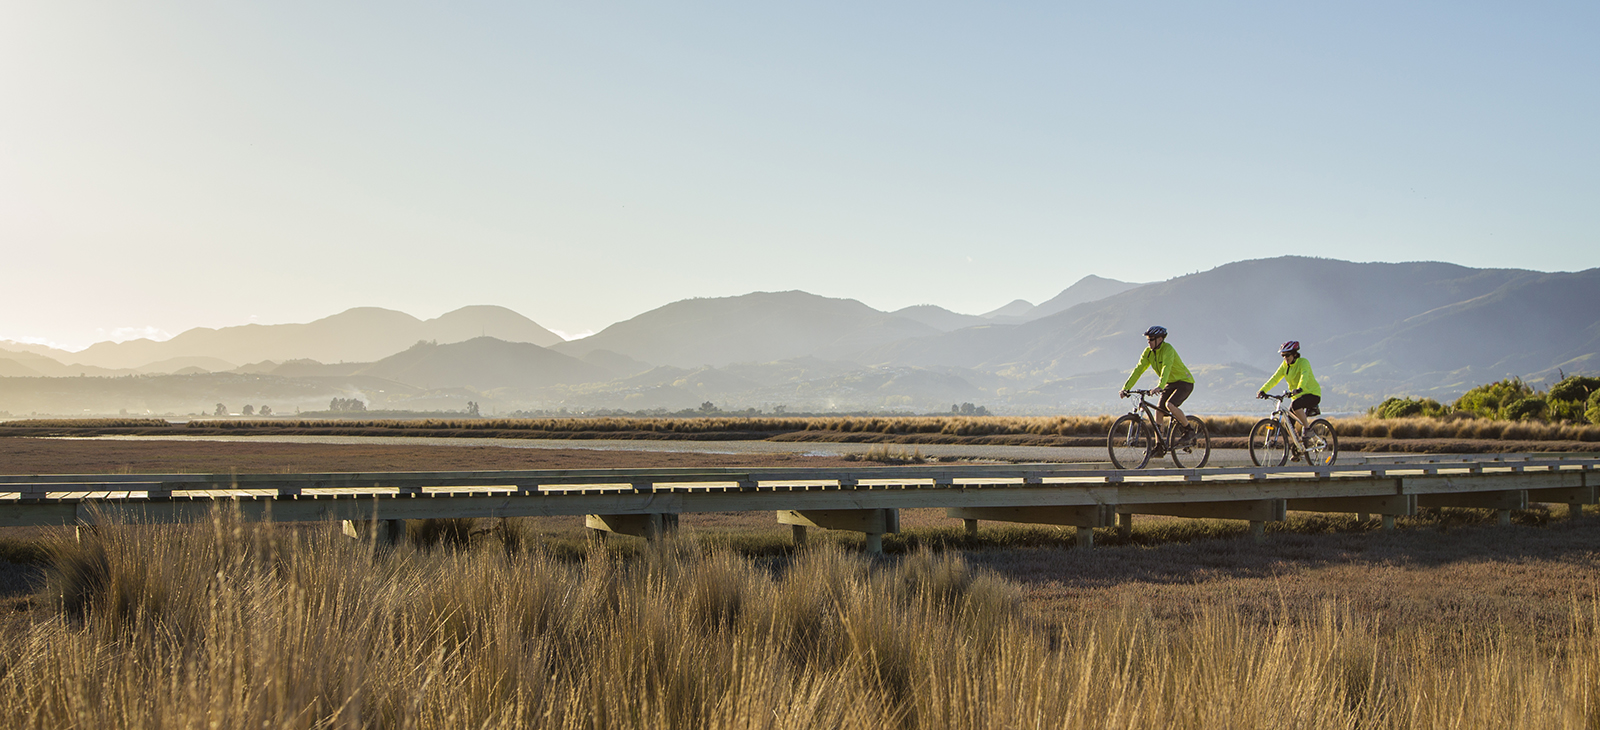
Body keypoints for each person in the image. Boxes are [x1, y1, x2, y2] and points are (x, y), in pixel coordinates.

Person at [1120, 326, 1196, 444]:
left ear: (1160, 339)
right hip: (1170, 383)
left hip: (1184, 382)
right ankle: (1159, 446)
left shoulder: (1168, 349)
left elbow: (1166, 367)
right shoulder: (1148, 352)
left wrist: (1160, 386)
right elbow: (1138, 370)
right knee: (1159, 412)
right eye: (1148, 340)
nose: (1148, 342)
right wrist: (1126, 388)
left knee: (1170, 404)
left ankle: (1189, 430)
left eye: (1151, 339)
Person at [1257, 340, 1322, 448]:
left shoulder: (1303, 362)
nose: (1285, 358)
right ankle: (1299, 446)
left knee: (1295, 405)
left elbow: (1304, 376)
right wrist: (1262, 390)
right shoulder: (1284, 366)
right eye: (1283, 356)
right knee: (1289, 424)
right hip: (1297, 396)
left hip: (1312, 394)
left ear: (1294, 354)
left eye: (1287, 355)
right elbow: (1274, 378)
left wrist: (1299, 388)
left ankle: (1307, 429)